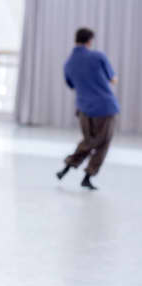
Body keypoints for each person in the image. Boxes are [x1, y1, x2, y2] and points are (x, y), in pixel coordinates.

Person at [56, 28, 119, 190]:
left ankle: (67, 168)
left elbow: (71, 85)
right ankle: (87, 176)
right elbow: (112, 79)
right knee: (102, 143)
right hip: (104, 107)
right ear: (90, 40)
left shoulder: (68, 63)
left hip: (84, 108)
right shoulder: (98, 56)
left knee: (89, 140)